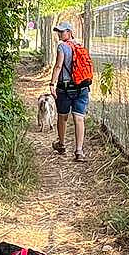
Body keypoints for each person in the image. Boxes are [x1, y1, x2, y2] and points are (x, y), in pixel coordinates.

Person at [48, 21, 88, 161]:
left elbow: (58, 66)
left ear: (69, 32)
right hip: (82, 87)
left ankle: (62, 144)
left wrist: (52, 83)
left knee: (62, 116)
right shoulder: (80, 45)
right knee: (79, 117)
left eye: (62, 31)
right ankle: (79, 151)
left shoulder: (62, 46)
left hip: (65, 88)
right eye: (58, 31)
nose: (60, 34)